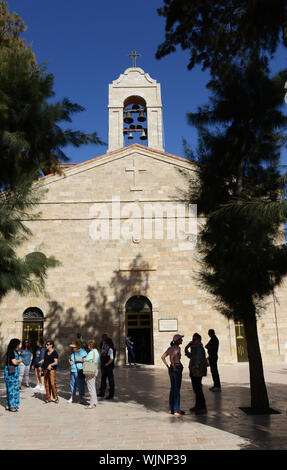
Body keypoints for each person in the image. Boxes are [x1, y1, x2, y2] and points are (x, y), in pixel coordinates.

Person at [161, 334, 185, 417]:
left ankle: (171, 409)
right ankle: (177, 410)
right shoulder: (177, 348)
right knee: (177, 389)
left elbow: (163, 357)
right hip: (176, 368)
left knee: (173, 389)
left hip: (171, 368)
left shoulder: (169, 348)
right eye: (180, 339)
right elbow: (172, 358)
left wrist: (169, 366)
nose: (182, 340)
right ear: (177, 340)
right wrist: (174, 367)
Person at [185, 333, 207, 415]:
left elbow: (198, 360)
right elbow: (192, 356)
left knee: (198, 389)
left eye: (194, 339)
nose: (192, 341)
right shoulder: (194, 348)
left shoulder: (200, 348)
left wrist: (194, 368)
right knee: (196, 389)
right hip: (193, 370)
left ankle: (202, 407)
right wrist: (187, 349)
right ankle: (197, 406)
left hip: (197, 371)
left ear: (198, 340)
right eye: (192, 339)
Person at [4, 338, 22, 412]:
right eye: (18, 344)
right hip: (11, 373)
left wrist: (18, 360)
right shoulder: (11, 352)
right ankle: (12, 406)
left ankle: (9, 405)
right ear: (15, 344)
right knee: (12, 389)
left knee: (12, 388)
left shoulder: (15, 351)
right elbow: (14, 362)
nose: (19, 346)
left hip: (13, 372)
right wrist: (20, 361)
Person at [84, 340, 100, 409]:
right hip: (95, 369)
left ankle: (92, 404)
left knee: (90, 388)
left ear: (91, 345)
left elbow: (86, 360)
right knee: (93, 387)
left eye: (89, 345)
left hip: (90, 370)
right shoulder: (96, 352)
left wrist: (82, 359)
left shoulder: (91, 352)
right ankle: (95, 402)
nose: (88, 346)